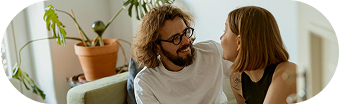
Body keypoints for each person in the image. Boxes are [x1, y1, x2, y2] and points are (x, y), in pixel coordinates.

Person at [131, 5, 233, 104]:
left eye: (186, 32)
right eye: (175, 38)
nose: (186, 41)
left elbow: (245, 72)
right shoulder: (145, 83)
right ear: (156, 47)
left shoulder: (212, 52)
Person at [220, 6, 297, 104]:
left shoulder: (287, 73)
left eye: (225, 31)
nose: (221, 37)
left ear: (239, 42)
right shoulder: (237, 79)